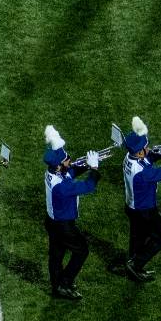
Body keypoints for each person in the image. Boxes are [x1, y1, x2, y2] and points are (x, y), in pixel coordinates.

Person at [42, 127, 96, 301]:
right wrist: (93, 169)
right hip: (63, 225)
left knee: (56, 255)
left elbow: (69, 172)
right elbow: (88, 186)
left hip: (53, 221)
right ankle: (64, 283)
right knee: (82, 251)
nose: (69, 161)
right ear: (58, 166)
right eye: (66, 160)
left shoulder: (52, 173)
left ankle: (57, 285)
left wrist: (84, 166)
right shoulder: (62, 186)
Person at [120, 118, 161, 281]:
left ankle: (132, 263)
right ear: (139, 152)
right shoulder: (143, 172)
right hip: (145, 210)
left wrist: (160, 153)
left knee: (138, 237)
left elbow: (147, 158)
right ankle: (136, 264)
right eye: (145, 147)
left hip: (132, 207)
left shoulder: (129, 158)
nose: (148, 148)